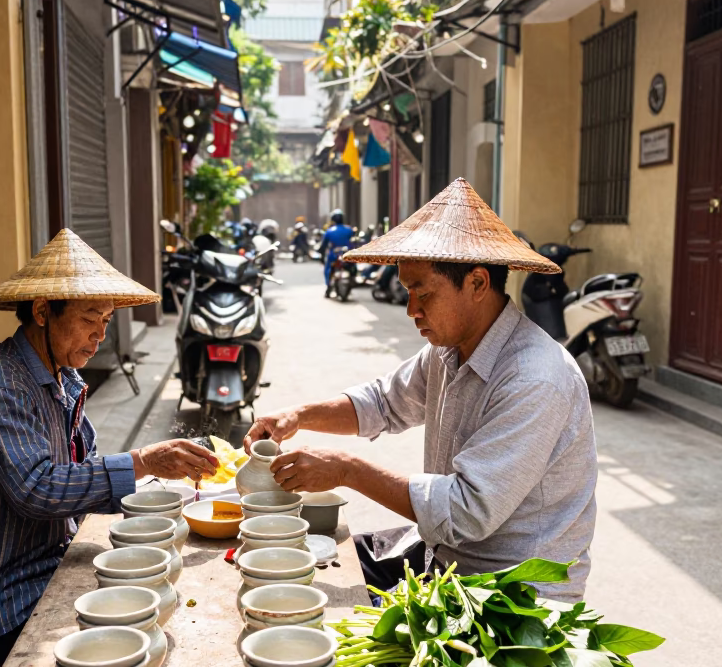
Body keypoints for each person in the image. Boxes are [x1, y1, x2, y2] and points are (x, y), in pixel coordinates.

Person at [244, 178, 597, 602]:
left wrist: (346, 469)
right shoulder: (450, 350)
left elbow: (466, 512)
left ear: (478, 284)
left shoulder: (533, 378)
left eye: (422, 292)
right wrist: (298, 415)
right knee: (308, 562)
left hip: (508, 595)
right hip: (445, 559)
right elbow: (383, 402)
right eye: (408, 291)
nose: (411, 309)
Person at [0, 229, 218, 666]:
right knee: (135, 641)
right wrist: (143, 461)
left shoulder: (63, 379)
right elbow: (38, 489)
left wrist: (153, 484)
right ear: (43, 311)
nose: (100, 335)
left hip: (47, 564)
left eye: (106, 320)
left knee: (163, 599)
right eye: (88, 319)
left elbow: (83, 471)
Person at [321, 209, 355, 297]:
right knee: (353, 266)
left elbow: (323, 245)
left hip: (334, 255)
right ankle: (353, 279)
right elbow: (354, 242)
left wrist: (320, 253)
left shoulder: (329, 231)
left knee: (328, 269)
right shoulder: (349, 230)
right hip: (347, 255)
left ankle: (328, 286)